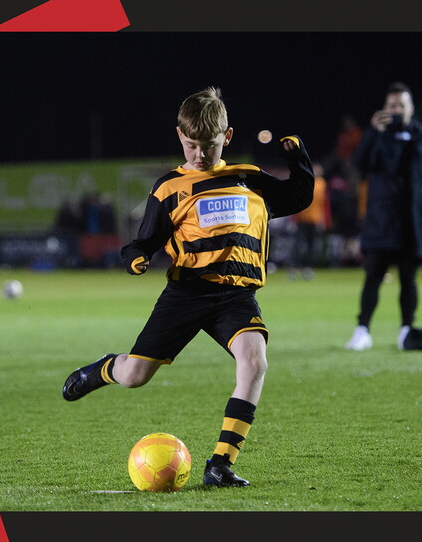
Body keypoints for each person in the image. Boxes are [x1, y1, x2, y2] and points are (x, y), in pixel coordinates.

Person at [61, 87, 314, 488]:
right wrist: (135, 258)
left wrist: (297, 158)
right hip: (186, 294)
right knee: (135, 377)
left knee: (255, 362)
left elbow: (299, 196)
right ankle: (104, 368)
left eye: (209, 146)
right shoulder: (168, 189)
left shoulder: (248, 180)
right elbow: (141, 241)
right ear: (180, 136)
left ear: (226, 138)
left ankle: (220, 465)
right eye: (192, 144)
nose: (199, 154)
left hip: (235, 296)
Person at [344, 82, 422, 351]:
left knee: (408, 279)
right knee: (372, 278)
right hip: (381, 222)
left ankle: (406, 329)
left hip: (413, 225)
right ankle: (362, 330)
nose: (395, 110)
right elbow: (358, 166)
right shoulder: (377, 137)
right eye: (391, 105)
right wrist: (371, 133)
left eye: (400, 105)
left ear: (411, 108)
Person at [289, 162, 330, 280]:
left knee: (311, 246)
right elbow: (296, 200)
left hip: (315, 219)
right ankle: (294, 269)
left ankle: (308, 268)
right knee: (297, 245)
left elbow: (324, 204)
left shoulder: (322, 184)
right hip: (301, 218)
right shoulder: (305, 181)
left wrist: (324, 220)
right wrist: (293, 218)